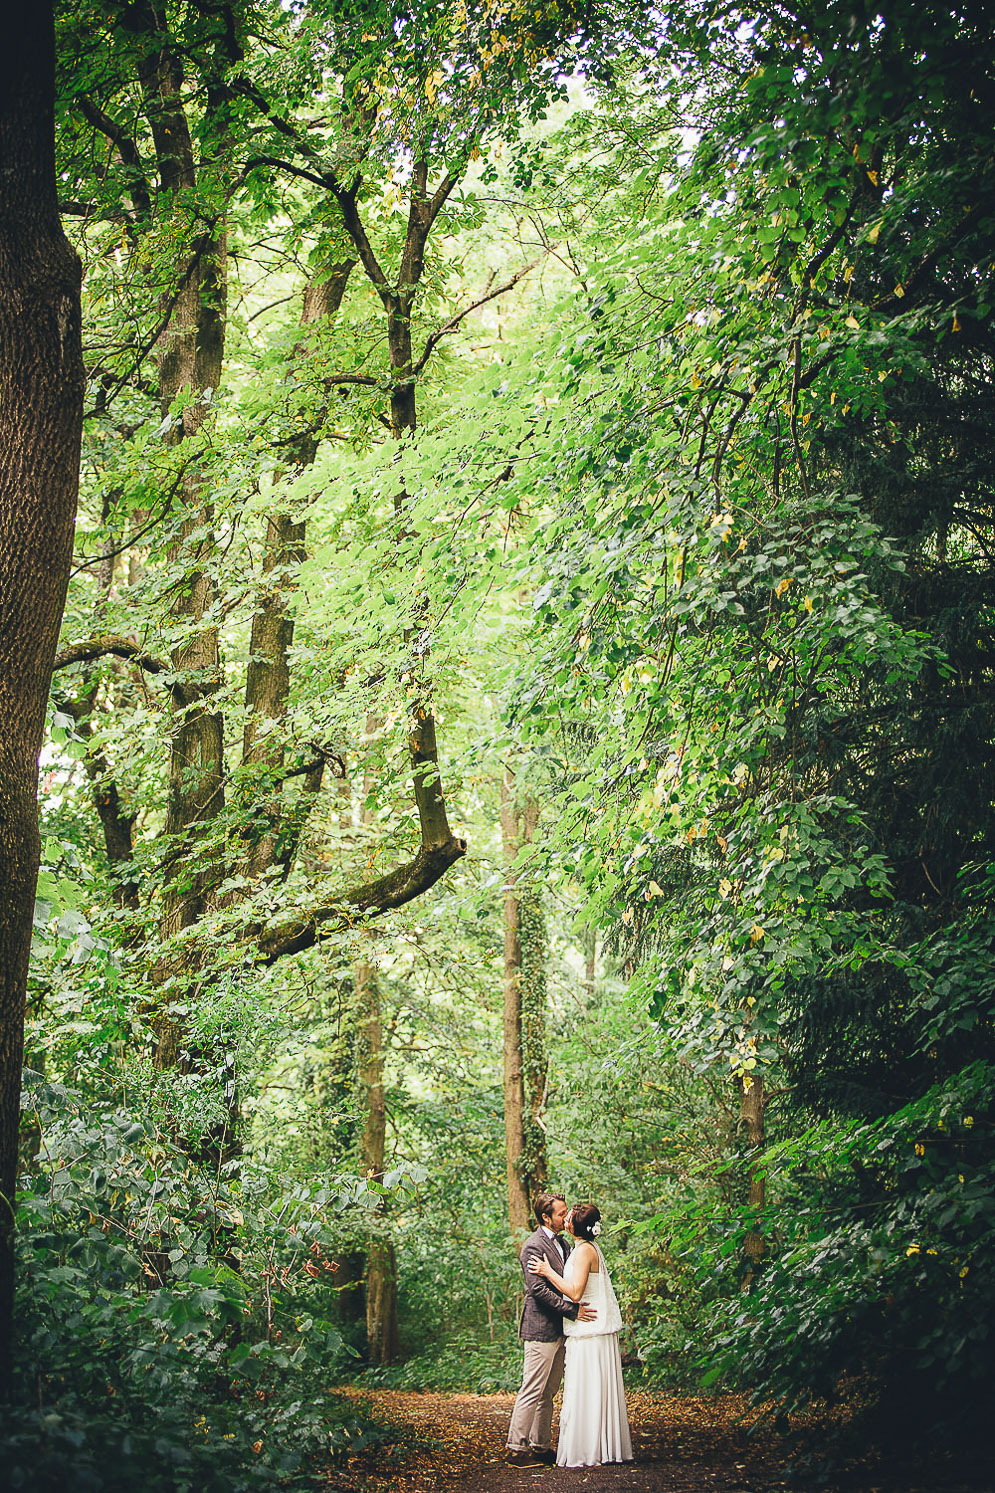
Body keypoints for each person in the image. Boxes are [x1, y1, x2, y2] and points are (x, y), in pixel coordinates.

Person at [529, 1202, 633, 1467]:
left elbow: (575, 1292)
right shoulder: (582, 1248)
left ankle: (589, 1449)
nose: (565, 1220)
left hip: (589, 1331)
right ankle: (597, 1446)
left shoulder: (585, 1251)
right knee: (588, 1387)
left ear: (577, 1227)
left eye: (569, 1218)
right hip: (587, 1329)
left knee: (588, 1387)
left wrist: (547, 1272)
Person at [505, 1191, 598, 1466]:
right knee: (532, 1389)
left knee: (549, 1392)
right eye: (561, 1213)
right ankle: (515, 1449)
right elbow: (538, 1291)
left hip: (561, 1331)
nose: (566, 1216)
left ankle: (540, 1446)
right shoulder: (532, 1247)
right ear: (546, 1217)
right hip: (540, 1330)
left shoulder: (566, 1244)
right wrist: (573, 1311)